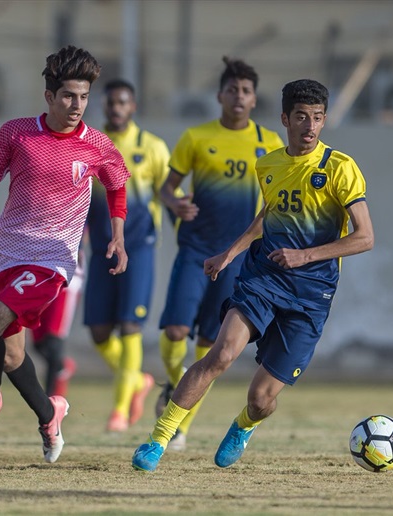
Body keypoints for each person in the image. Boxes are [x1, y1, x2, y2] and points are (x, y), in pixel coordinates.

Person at [132, 79, 375, 472]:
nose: (309, 126)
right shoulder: (269, 165)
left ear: (325, 120)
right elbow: (268, 216)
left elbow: (365, 237)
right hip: (264, 277)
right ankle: (158, 440)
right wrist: (229, 253)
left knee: (261, 398)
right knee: (221, 353)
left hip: (312, 295)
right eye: (301, 117)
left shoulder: (340, 168)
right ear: (284, 119)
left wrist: (305, 255)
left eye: (317, 118)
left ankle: (243, 426)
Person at [0, 45, 130, 464]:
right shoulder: (17, 133)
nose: (77, 104)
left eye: (83, 97)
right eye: (68, 96)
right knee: (11, 354)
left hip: (54, 259)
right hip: (7, 254)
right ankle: (50, 414)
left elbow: (117, 187)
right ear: (49, 96)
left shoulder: (97, 144)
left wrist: (117, 236)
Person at [153, 57, 284, 450]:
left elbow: (276, 203)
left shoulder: (271, 145)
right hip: (195, 249)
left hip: (238, 257)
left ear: (254, 98)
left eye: (245, 91)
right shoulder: (196, 137)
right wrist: (175, 204)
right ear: (220, 95)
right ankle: (176, 380)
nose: (238, 97)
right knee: (176, 330)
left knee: (210, 344)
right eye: (232, 90)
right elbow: (166, 188)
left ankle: (181, 428)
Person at [85, 79, 171, 432]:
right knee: (100, 332)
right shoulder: (89, 144)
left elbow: (170, 194)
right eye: (111, 103)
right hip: (100, 249)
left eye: (123, 102)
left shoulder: (151, 147)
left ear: (133, 106)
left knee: (130, 326)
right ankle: (135, 380)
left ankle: (120, 411)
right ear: (103, 107)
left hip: (138, 249)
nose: (116, 108)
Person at [30, 251, 83, 398]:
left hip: (66, 275)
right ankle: (61, 367)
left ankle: (50, 400)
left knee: (53, 341)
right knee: (38, 343)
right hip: (40, 273)